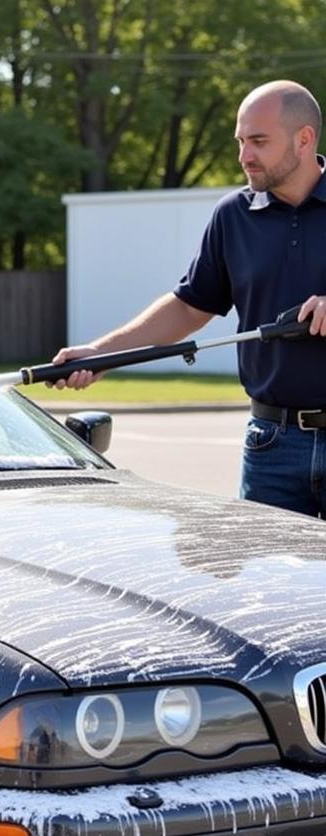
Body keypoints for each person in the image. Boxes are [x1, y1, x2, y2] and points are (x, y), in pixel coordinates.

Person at [50, 80, 326, 517]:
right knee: (268, 585)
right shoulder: (232, 216)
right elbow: (188, 307)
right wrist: (100, 353)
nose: (243, 156)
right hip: (271, 445)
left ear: (304, 139)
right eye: (240, 141)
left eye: (258, 141)